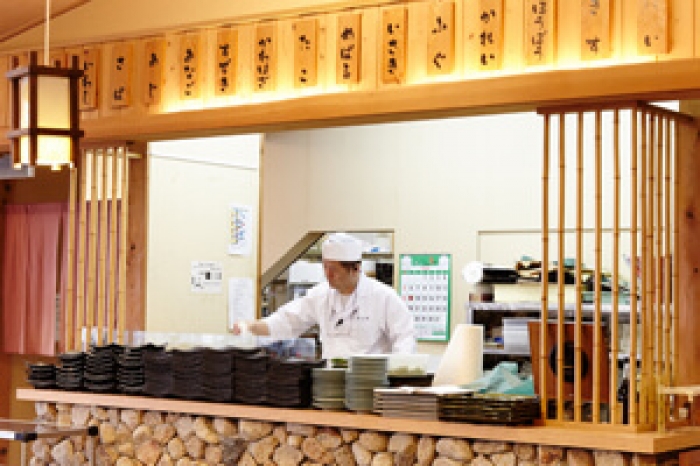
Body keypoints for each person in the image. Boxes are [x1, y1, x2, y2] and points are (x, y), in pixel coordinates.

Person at [231, 232, 415, 359]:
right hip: (330, 383)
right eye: (325, 267)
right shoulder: (320, 296)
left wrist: (397, 379)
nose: (328, 274)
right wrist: (252, 326)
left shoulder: (384, 298)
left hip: (370, 384)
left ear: (355, 269)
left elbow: (405, 339)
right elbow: (288, 320)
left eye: (334, 269)